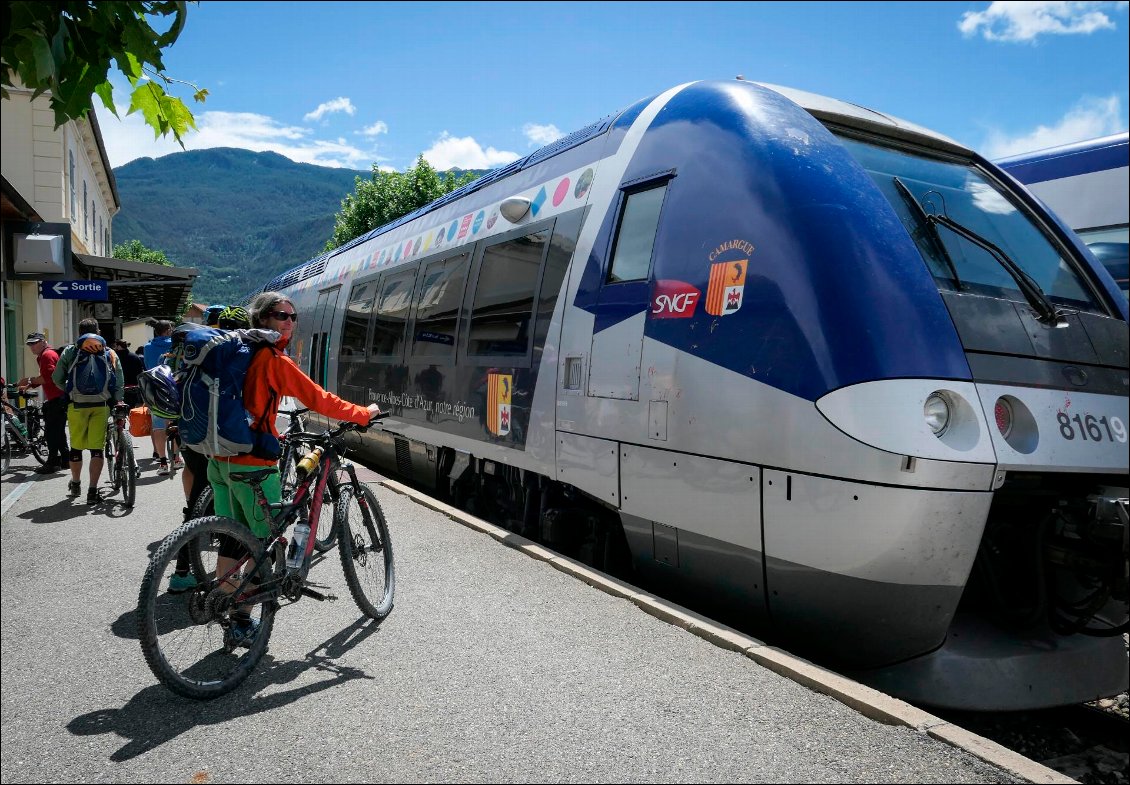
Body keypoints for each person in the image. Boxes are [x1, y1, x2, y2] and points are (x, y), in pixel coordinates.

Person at [208, 292, 381, 644]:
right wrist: (363, 413)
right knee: (264, 542)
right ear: (263, 319)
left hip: (219, 459)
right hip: (252, 462)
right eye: (279, 315)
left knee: (232, 539)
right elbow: (317, 398)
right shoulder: (273, 359)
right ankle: (241, 620)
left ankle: (221, 603)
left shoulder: (237, 351)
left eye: (292, 316)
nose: (288, 321)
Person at [167, 306, 252, 593]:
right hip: (216, 439)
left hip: (190, 433)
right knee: (212, 508)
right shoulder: (233, 350)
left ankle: (191, 568)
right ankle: (189, 573)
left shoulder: (194, 344)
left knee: (197, 499)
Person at [51, 318, 125, 503]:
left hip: (76, 406)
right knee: (96, 450)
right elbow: (119, 380)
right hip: (101, 406)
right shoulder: (109, 352)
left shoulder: (71, 351)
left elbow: (57, 377)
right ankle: (92, 491)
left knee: (76, 447)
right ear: (98, 332)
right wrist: (116, 399)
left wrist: (69, 390)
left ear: (80, 332)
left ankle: (76, 483)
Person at [17, 333, 70, 473]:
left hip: (57, 398)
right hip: (59, 397)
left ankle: (52, 463)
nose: (31, 346)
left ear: (43, 342)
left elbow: (49, 377)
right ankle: (65, 459)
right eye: (29, 344)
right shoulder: (44, 355)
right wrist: (30, 385)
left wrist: (29, 381)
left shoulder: (47, 355)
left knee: (51, 433)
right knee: (58, 432)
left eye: (34, 343)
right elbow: (46, 378)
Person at [142, 320, 178, 474]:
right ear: (169, 330)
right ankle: (176, 459)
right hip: (174, 387)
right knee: (176, 422)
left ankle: (162, 462)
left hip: (155, 389)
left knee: (158, 425)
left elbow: (147, 365)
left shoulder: (148, 347)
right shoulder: (175, 345)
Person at [113, 339, 145, 407]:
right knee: (131, 409)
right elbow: (140, 372)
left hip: (119, 389)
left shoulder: (115, 358)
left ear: (119, 346)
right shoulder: (135, 357)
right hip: (133, 388)